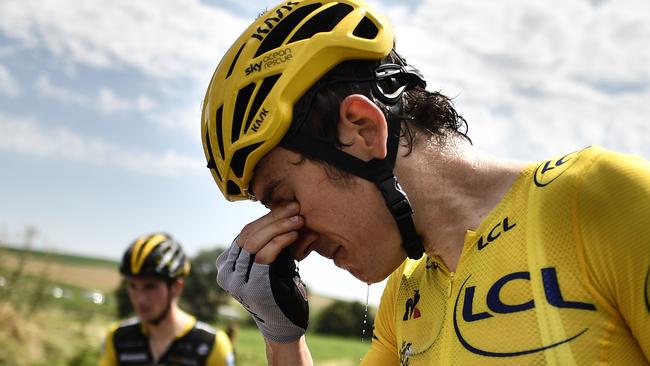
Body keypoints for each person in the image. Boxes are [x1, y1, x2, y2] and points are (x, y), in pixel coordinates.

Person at [200, 0, 650, 364]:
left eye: (282, 198)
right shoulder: (406, 291)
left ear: (361, 130)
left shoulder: (602, 199)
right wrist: (283, 338)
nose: (292, 241)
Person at [99, 233, 236, 366]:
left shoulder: (211, 344)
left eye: (150, 287)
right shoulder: (117, 338)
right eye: (133, 286)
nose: (140, 299)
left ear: (176, 287)